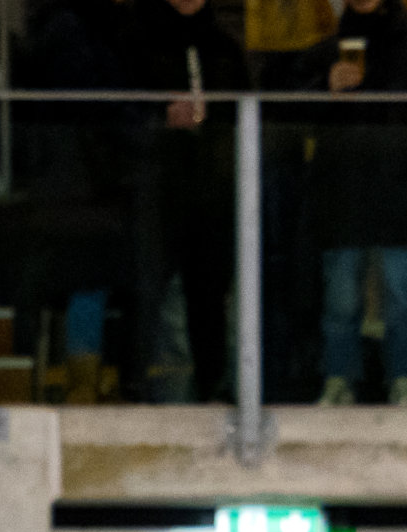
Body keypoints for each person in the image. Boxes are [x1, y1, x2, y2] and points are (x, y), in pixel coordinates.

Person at [304, 0, 407, 407]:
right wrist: (324, 89)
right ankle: (341, 378)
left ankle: (400, 380)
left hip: (394, 196)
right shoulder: (327, 53)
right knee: (343, 299)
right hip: (346, 195)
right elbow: (289, 109)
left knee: (399, 299)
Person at [12, 0, 141, 404]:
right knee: (88, 279)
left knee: (75, 280)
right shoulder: (77, 31)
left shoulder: (60, 27)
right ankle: (79, 382)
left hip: (63, 176)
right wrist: (135, 121)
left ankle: (59, 378)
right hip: (80, 177)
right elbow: (93, 101)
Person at [129, 0, 250, 402]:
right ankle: (148, 391)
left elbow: (245, 115)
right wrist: (161, 119)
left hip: (213, 193)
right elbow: (120, 111)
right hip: (156, 191)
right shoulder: (138, 41)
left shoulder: (224, 48)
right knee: (153, 294)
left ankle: (211, 388)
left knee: (210, 295)